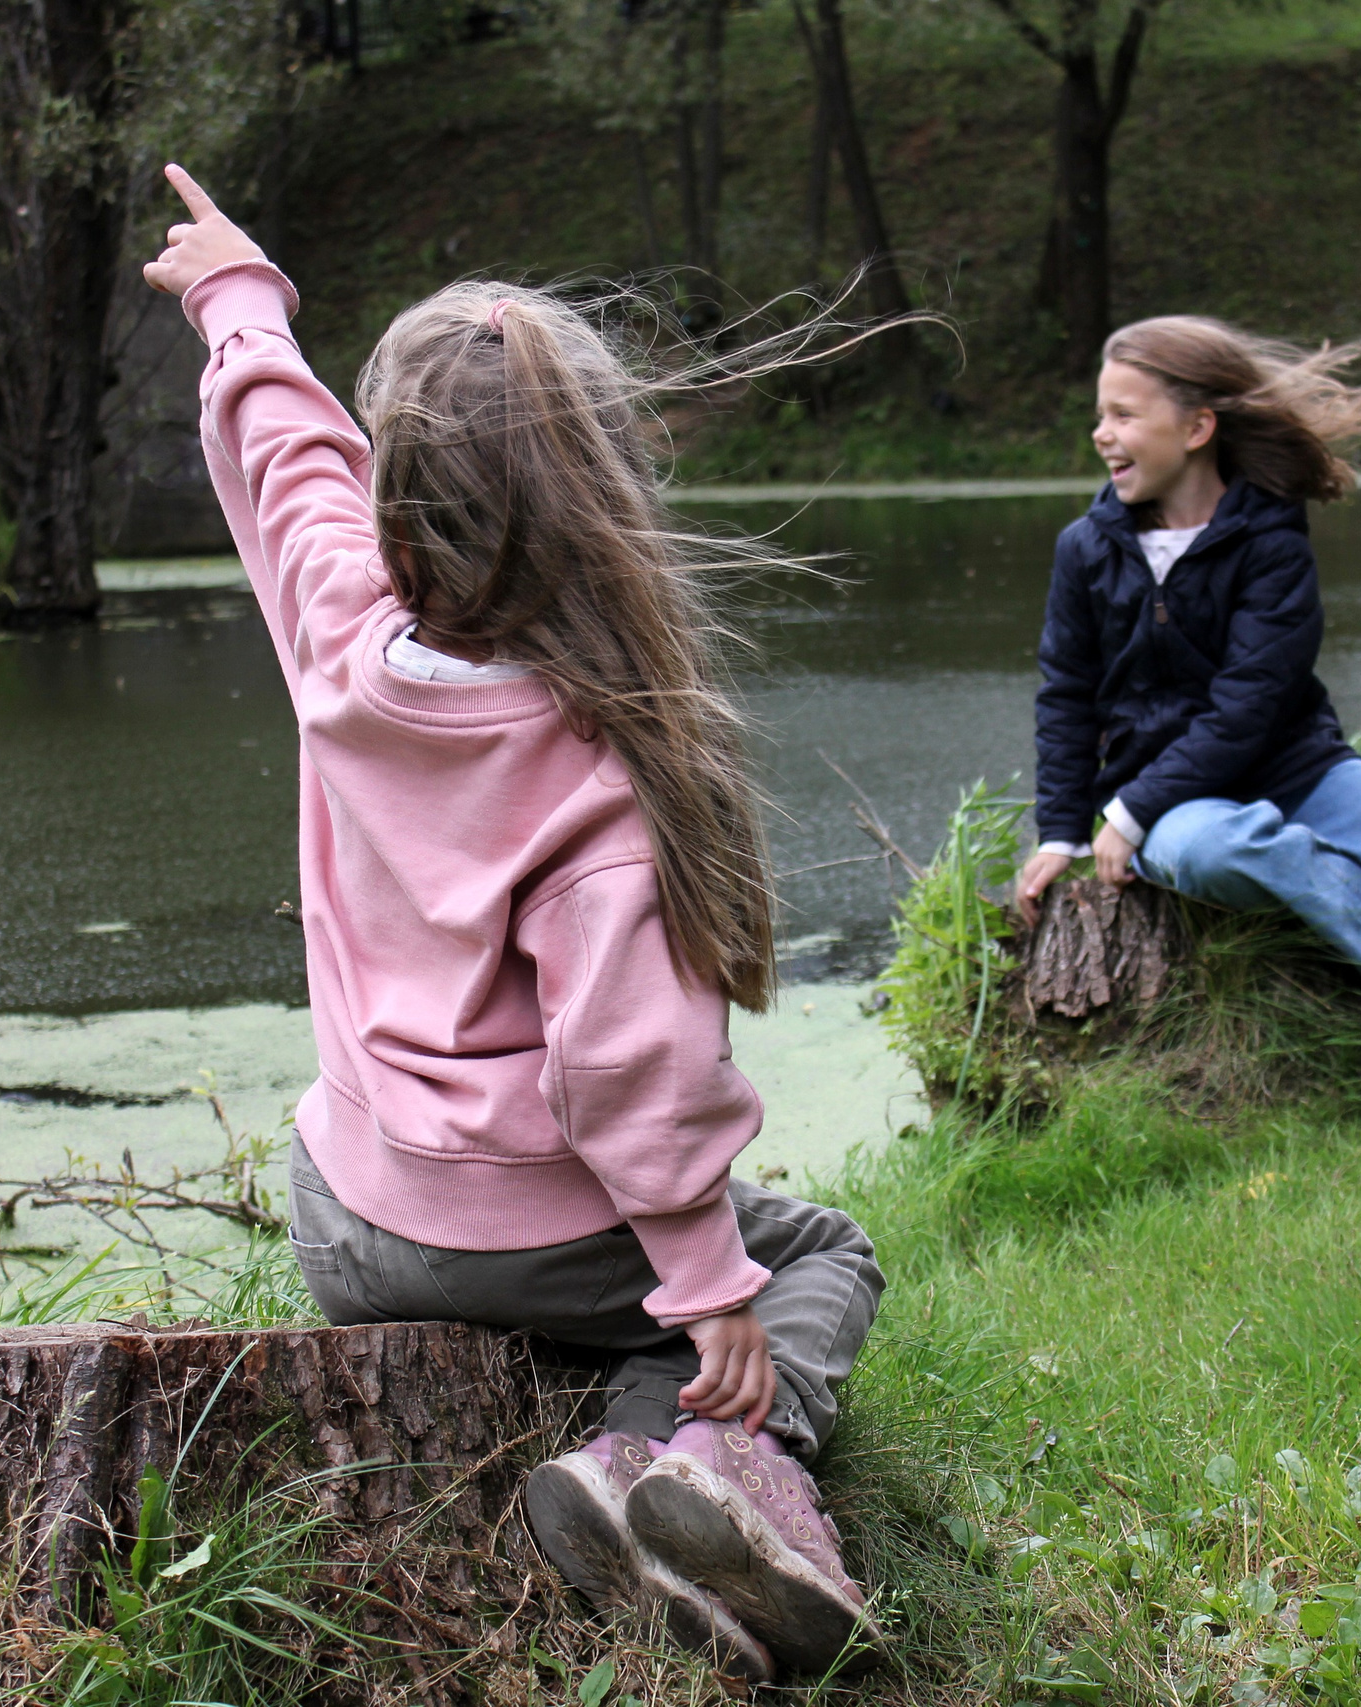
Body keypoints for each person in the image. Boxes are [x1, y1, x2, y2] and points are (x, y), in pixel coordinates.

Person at [142, 165, 885, 1681]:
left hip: (345, 1215)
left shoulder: (337, 643)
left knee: (689, 1260)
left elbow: (286, 459)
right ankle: (685, 1461)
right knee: (815, 1254)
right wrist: (704, 1277)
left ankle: (640, 1452)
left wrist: (239, 298)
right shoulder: (602, 770)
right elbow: (627, 1069)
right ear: (607, 505)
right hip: (531, 1234)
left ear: (394, 499)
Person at [1015, 315, 1361, 1090]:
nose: (1100, 434)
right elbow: (1066, 695)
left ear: (1197, 427)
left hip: (1298, 767)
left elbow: (1253, 699)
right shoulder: (1085, 549)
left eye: (1122, 415)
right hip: (1174, 801)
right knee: (1207, 850)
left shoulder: (1271, 540)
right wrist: (1068, 828)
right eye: (1100, 414)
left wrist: (1127, 809)